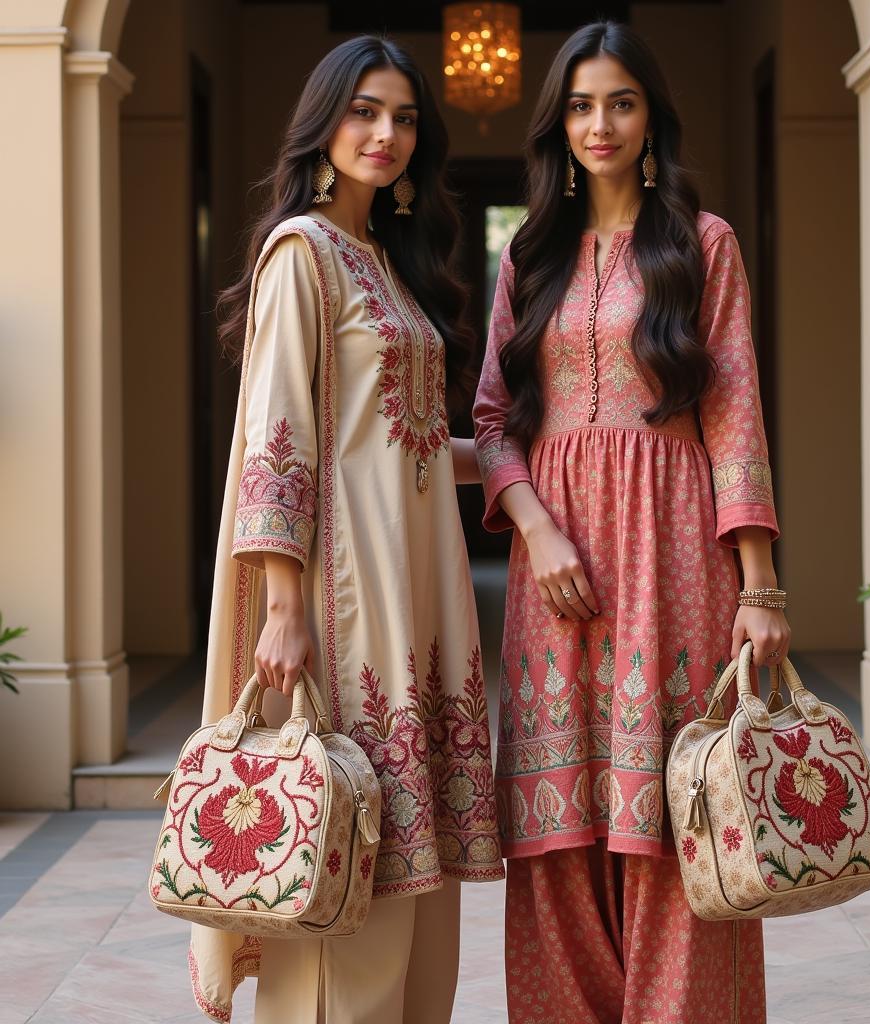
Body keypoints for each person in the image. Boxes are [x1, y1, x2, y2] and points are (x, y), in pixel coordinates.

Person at [473, 20, 789, 1024]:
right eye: (578, 105)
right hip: (554, 569)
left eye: (619, 101)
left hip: (673, 554)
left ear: (650, 117)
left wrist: (760, 584)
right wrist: (537, 528)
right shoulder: (529, 254)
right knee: (560, 834)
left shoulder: (703, 245)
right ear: (556, 125)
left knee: (674, 819)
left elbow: (733, 413)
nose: (597, 123)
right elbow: (491, 420)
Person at [190, 35, 503, 1024]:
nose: (386, 133)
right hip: (340, 594)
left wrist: (526, 469)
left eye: (404, 117)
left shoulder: (385, 260)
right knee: (344, 851)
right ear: (324, 123)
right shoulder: (302, 253)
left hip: (415, 588)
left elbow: (397, 443)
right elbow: (277, 437)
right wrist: (282, 606)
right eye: (366, 111)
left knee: (415, 879)